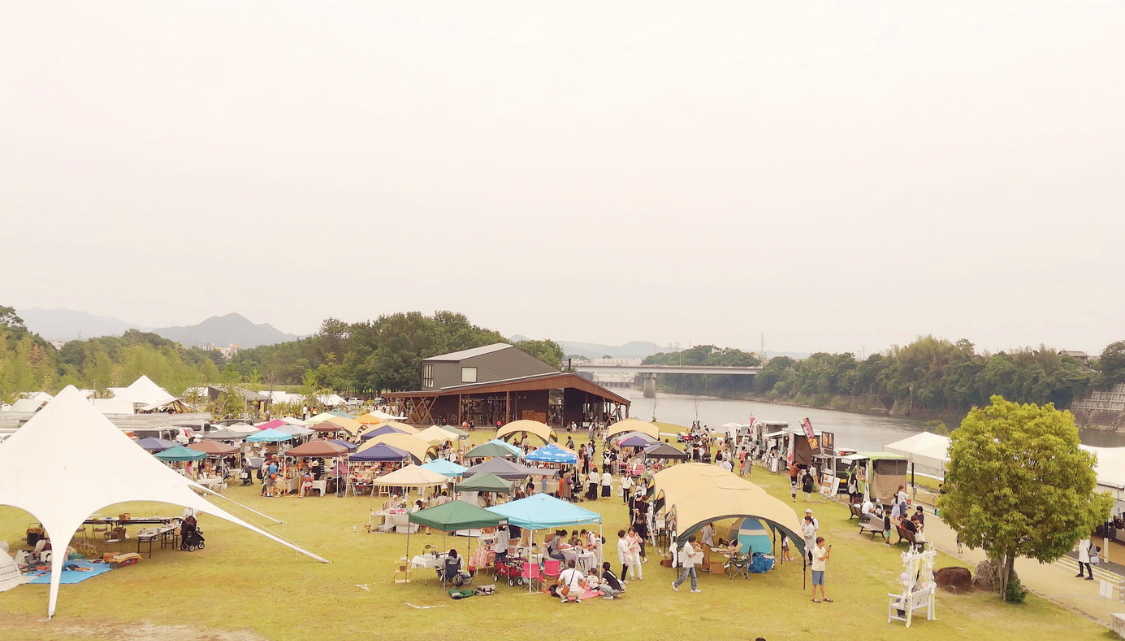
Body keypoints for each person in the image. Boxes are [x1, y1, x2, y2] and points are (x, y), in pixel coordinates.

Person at [811, 536, 832, 603]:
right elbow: (822, 558)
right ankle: (814, 598)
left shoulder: (823, 549)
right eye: (822, 542)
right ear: (819, 543)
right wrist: (826, 551)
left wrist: (828, 552)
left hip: (821, 569)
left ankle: (824, 597)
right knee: (815, 584)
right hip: (816, 569)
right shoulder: (815, 550)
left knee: (822, 584)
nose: (823, 544)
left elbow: (827, 557)